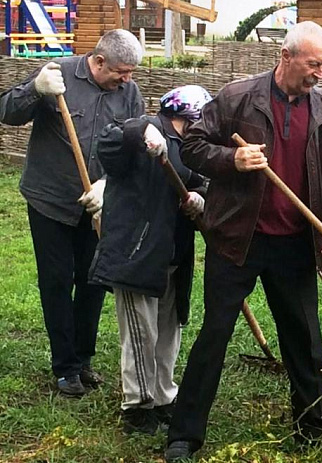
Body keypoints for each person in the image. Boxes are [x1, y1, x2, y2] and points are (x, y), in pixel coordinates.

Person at [164, 21, 322, 462]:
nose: (320, 74)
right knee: (215, 334)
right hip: (238, 239)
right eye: (314, 64)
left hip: (294, 243)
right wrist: (231, 158)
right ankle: (185, 435)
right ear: (286, 57)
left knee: (303, 337)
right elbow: (192, 146)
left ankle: (312, 425)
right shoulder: (238, 98)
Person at [0, 29, 145, 397]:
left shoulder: (129, 94)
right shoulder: (57, 74)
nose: (127, 80)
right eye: (122, 72)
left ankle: (83, 360)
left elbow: (136, 146)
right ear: (98, 62)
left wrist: (109, 185)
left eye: (130, 73)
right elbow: (7, 112)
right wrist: (35, 88)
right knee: (57, 280)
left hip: (96, 203)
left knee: (93, 281)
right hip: (50, 200)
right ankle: (64, 367)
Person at [89, 85, 211, 434]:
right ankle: (137, 406)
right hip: (135, 255)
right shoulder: (144, 135)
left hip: (174, 255)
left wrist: (199, 198)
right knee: (141, 333)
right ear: (187, 117)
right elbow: (108, 143)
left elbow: (202, 183)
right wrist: (140, 130)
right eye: (200, 120)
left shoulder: (188, 149)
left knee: (169, 331)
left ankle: (162, 397)